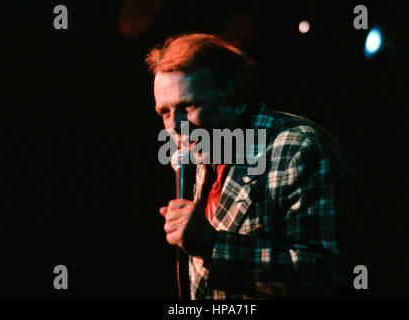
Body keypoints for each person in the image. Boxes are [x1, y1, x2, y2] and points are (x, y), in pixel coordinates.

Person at [146, 33, 359, 299]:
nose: (174, 126)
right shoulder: (208, 156)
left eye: (188, 106)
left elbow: (325, 274)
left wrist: (212, 245)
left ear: (237, 100)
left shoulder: (298, 148)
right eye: (164, 112)